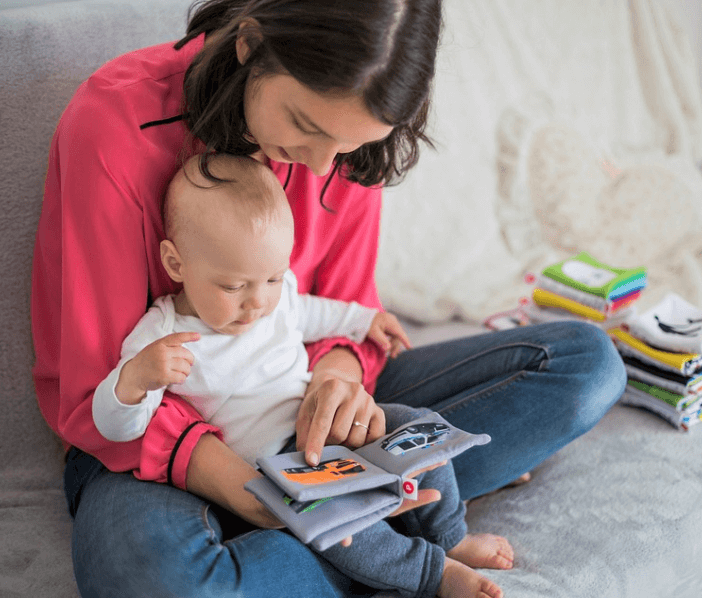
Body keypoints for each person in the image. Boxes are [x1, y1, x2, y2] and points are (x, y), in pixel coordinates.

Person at [31, 1, 627, 596]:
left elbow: (343, 310)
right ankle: (382, 538)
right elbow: (100, 391)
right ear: (250, 44)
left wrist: (337, 383)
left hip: (301, 410)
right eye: (306, 126)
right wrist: (246, 488)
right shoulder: (113, 126)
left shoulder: (346, 144)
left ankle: (350, 528)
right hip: (146, 441)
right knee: (160, 582)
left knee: (587, 365)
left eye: (348, 145)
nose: (323, 165)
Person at [90, 153, 512, 598]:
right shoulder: (164, 333)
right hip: (278, 465)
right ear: (177, 265)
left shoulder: (275, 294)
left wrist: (363, 319)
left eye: (272, 279)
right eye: (233, 287)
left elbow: (310, 312)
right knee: (341, 524)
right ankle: (432, 573)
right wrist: (135, 379)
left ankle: (450, 535)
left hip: (326, 422)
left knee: (418, 426)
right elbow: (116, 427)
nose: (258, 303)